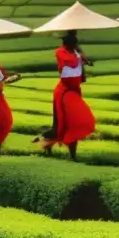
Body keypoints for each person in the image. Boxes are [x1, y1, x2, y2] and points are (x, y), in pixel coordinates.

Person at [36, 31, 95, 161]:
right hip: (64, 92)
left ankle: (49, 143)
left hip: (74, 91)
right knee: (73, 122)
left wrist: (84, 58)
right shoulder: (61, 52)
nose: (74, 42)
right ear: (65, 42)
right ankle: (56, 146)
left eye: (75, 40)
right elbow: (70, 61)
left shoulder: (76, 52)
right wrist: (80, 56)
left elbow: (81, 62)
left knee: (69, 124)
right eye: (71, 40)